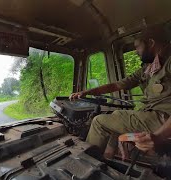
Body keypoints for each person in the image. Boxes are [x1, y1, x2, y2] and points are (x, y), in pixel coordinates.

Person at [69, 24, 171, 158]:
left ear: (151, 43)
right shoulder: (149, 68)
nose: (136, 51)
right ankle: (109, 160)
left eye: (137, 46)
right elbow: (117, 85)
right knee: (116, 116)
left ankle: (84, 166)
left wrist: (158, 136)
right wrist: (86, 92)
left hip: (163, 117)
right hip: (152, 114)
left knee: (99, 122)